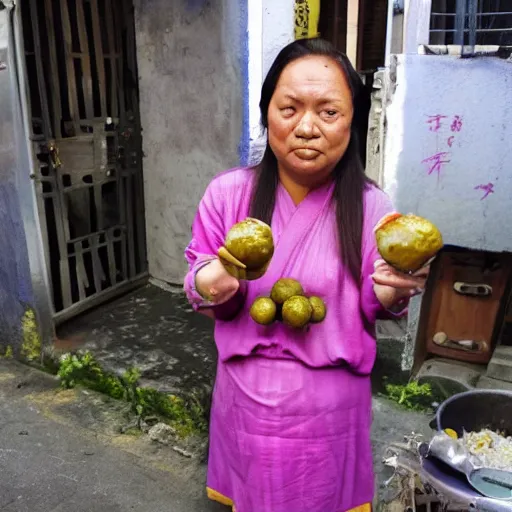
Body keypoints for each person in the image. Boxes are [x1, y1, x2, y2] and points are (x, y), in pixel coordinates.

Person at [184, 38, 428, 512]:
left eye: (329, 112)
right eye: (289, 108)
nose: (307, 128)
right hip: (245, 404)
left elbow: (377, 303)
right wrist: (209, 284)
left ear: (352, 121)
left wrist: (391, 291)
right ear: (267, 112)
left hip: (330, 413)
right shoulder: (226, 195)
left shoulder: (372, 207)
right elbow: (205, 285)